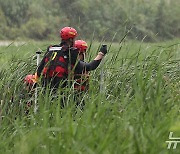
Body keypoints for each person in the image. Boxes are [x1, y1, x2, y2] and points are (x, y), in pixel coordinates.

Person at [33, 27, 107, 93]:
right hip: (61, 92)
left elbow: (39, 71)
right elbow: (90, 66)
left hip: (46, 90)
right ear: (71, 39)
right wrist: (101, 54)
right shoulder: (70, 52)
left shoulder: (51, 49)